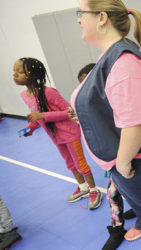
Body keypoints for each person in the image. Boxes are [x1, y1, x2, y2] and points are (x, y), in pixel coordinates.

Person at [71, 1, 141, 249]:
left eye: (81, 14)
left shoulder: (124, 62)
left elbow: (137, 121)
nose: (79, 20)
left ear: (101, 17)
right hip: (125, 152)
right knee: (134, 194)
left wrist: (122, 161)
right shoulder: (111, 55)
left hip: (140, 153)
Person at [13, 57, 103, 210]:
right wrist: (31, 127)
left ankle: (94, 190)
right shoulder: (24, 95)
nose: (15, 74)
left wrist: (43, 116)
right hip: (55, 136)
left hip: (69, 132)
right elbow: (36, 115)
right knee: (69, 164)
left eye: (20, 71)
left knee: (80, 164)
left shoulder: (48, 92)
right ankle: (83, 187)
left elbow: (70, 111)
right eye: (14, 71)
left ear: (32, 75)